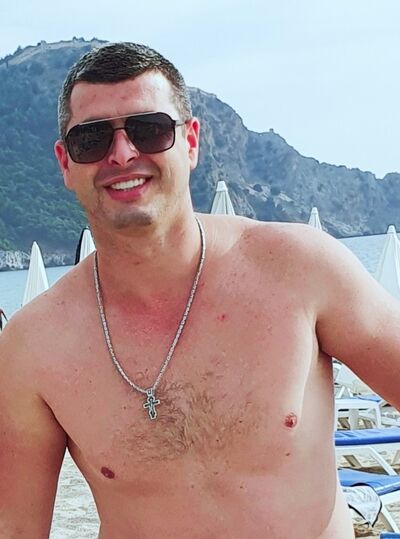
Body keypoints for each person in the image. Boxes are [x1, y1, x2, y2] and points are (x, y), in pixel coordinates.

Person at [0, 42, 399, 539]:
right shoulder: (34, 345)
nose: (122, 154)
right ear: (65, 163)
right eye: (92, 139)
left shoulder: (301, 269)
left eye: (149, 129)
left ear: (189, 142)